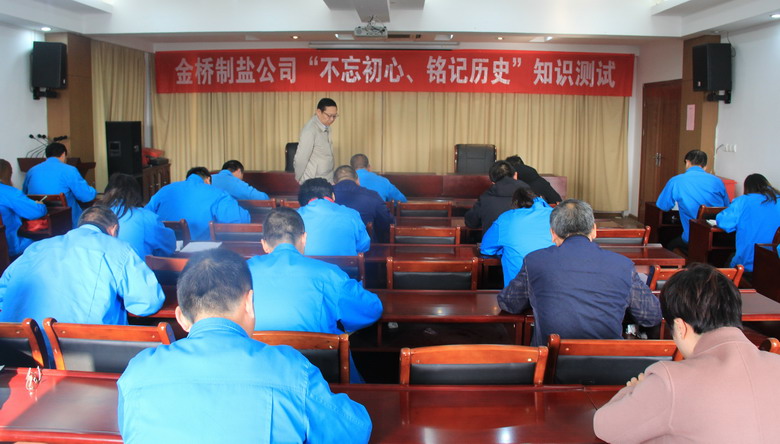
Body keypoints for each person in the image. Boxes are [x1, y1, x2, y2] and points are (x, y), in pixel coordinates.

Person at [118, 248, 372, 443]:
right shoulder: (291, 370)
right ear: (250, 303)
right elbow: (355, 431)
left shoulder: (137, 374)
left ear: (181, 317)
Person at [594, 263, 780, 443]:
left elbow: (605, 427)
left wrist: (635, 389)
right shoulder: (776, 363)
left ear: (680, 327)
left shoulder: (671, 381)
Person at [497, 199, 661, 346]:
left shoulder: (535, 261)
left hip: (552, 364)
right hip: (609, 364)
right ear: (594, 230)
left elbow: (510, 303)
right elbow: (651, 315)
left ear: (553, 233)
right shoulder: (623, 265)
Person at [247, 208, 382, 382]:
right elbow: (371, 309)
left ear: (264, 244)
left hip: (255, 372)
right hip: (321, 376)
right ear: (304, 238)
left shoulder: (240, 273)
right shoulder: (328, 274)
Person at [0, 206, 164, 326]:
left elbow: (3, 292)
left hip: (17, 347)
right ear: (113, 230)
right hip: (83, 351)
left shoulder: (36, 248)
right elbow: (147, 303)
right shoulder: (118, 249)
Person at [145, 167, 250, 241]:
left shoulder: (164, 190)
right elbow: (241, 220)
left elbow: (145, 216)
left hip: (165, 254)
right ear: (208, 180)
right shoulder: (218, 193)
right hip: (203, 257)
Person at [656, 149, 730, 253]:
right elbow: (726, 207)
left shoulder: (676, 181)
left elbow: (663, 206)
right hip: (718, 238)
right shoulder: (717, 181)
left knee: (669, 244)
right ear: (705, 166)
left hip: (692, 238)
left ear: (687, 162)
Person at [480, 188, 554, 287]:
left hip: (519, 289)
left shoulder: (506, 218)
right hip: (555, 285)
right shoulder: (556, 215)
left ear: (515, 204)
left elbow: (486, 249)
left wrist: (504, 249)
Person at [101, 173, 176, 259]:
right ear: (136, 194)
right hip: (137, 266)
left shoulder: (94, 216)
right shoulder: (146, 217)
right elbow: (169, 247)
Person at [715, 174, 780, 272]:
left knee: (725, 260)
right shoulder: (778, 201)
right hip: (774, 267)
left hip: (748, 266)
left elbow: (724, 223)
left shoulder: (744, 201)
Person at [22, 142, 97, 227]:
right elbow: (86, 197)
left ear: (47, 155)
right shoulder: (69, 170)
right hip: (66, 222)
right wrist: (93, 190)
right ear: (64, 154)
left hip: (38, 222)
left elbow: (25, 194)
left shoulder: (32, 171)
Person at [298, 178, 370, 256]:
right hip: (346, 264)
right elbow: (364, 246)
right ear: (333, 196)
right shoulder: (352, 214)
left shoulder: (295, 216)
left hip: (305, 263)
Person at [465, 160, 531, 233]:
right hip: (528, 240)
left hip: (494, 240)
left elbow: (470, 222)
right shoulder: (531, 195)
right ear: (515, 175)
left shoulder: (485, 198)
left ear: (493, 182)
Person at [333, 165, 394, 243]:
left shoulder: (325, 196)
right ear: (358, 180)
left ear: (333, 182)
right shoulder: (372, 196)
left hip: (332, 245)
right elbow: (387, 222)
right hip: (368, 247)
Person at [0, 159, 47, 257]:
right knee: (46, 244)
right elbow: (36, 212)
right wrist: (40, 205)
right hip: (9, 247)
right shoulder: (9, 192)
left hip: (3, 249)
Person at [294, 98, 338, 183]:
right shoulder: (310, 130)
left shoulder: (326, 126)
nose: (332, 119)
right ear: (318, 112)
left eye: (334, 116)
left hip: (326, 178)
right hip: (313, 181)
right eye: (329, 115)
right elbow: (300, 159)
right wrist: (297, 180)